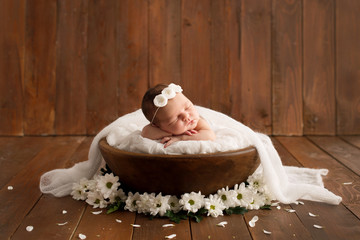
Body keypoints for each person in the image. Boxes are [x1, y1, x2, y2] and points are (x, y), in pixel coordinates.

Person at [141, 83, 216, 148]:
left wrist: (181, 137)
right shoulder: (159, 126)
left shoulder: (198, 121)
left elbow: (210, 135)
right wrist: (171, 134)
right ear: (157, 125)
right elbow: (145, 133)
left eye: (187, 107)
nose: (186, 116)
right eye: (175, 118)